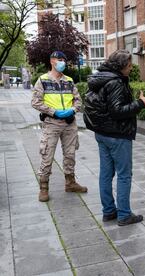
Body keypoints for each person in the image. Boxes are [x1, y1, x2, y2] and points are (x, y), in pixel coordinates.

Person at [84, 50, 145, 226]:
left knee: (106, 174)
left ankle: (108, 211)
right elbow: (117, 111)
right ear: (121, 66)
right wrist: (140, 104)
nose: (131, 69)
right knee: (124, 175)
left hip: (101, 133)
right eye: (129, 66)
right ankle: (124, 215)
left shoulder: (100, 78)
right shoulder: (115, 82)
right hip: (117, 135)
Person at [32, 51, 87, 202]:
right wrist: (54, 112)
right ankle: (44, 188)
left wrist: (73, 110)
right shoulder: (43, 80)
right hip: (52, 123)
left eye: (64, 59)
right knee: (47, 155)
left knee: (70, 154)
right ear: (52, 61)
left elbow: (78, 100)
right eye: (59, 59)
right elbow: (35, 102)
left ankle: (70, 183)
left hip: (69, 123)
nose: (62, 62)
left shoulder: (69, 80)